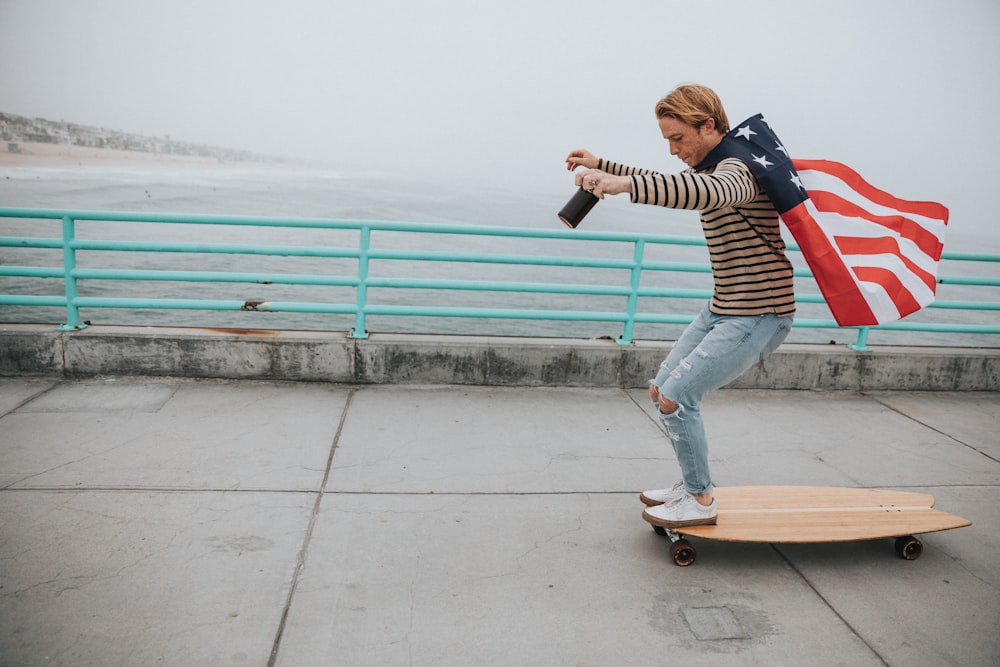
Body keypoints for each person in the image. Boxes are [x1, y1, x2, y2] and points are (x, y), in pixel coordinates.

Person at [565, 83, 795, 528]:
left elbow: (704, 193)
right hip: (724, 306)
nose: (672, 150)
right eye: (666, 140)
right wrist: (603, 165)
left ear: (708, 125)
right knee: (661, 390)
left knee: (676, 397)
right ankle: (692, 484)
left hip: (760, 313)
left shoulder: (738, 169)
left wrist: (623, 184)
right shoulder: (712, 164)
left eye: (678, 138)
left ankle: (700, 500)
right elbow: (680, 182)